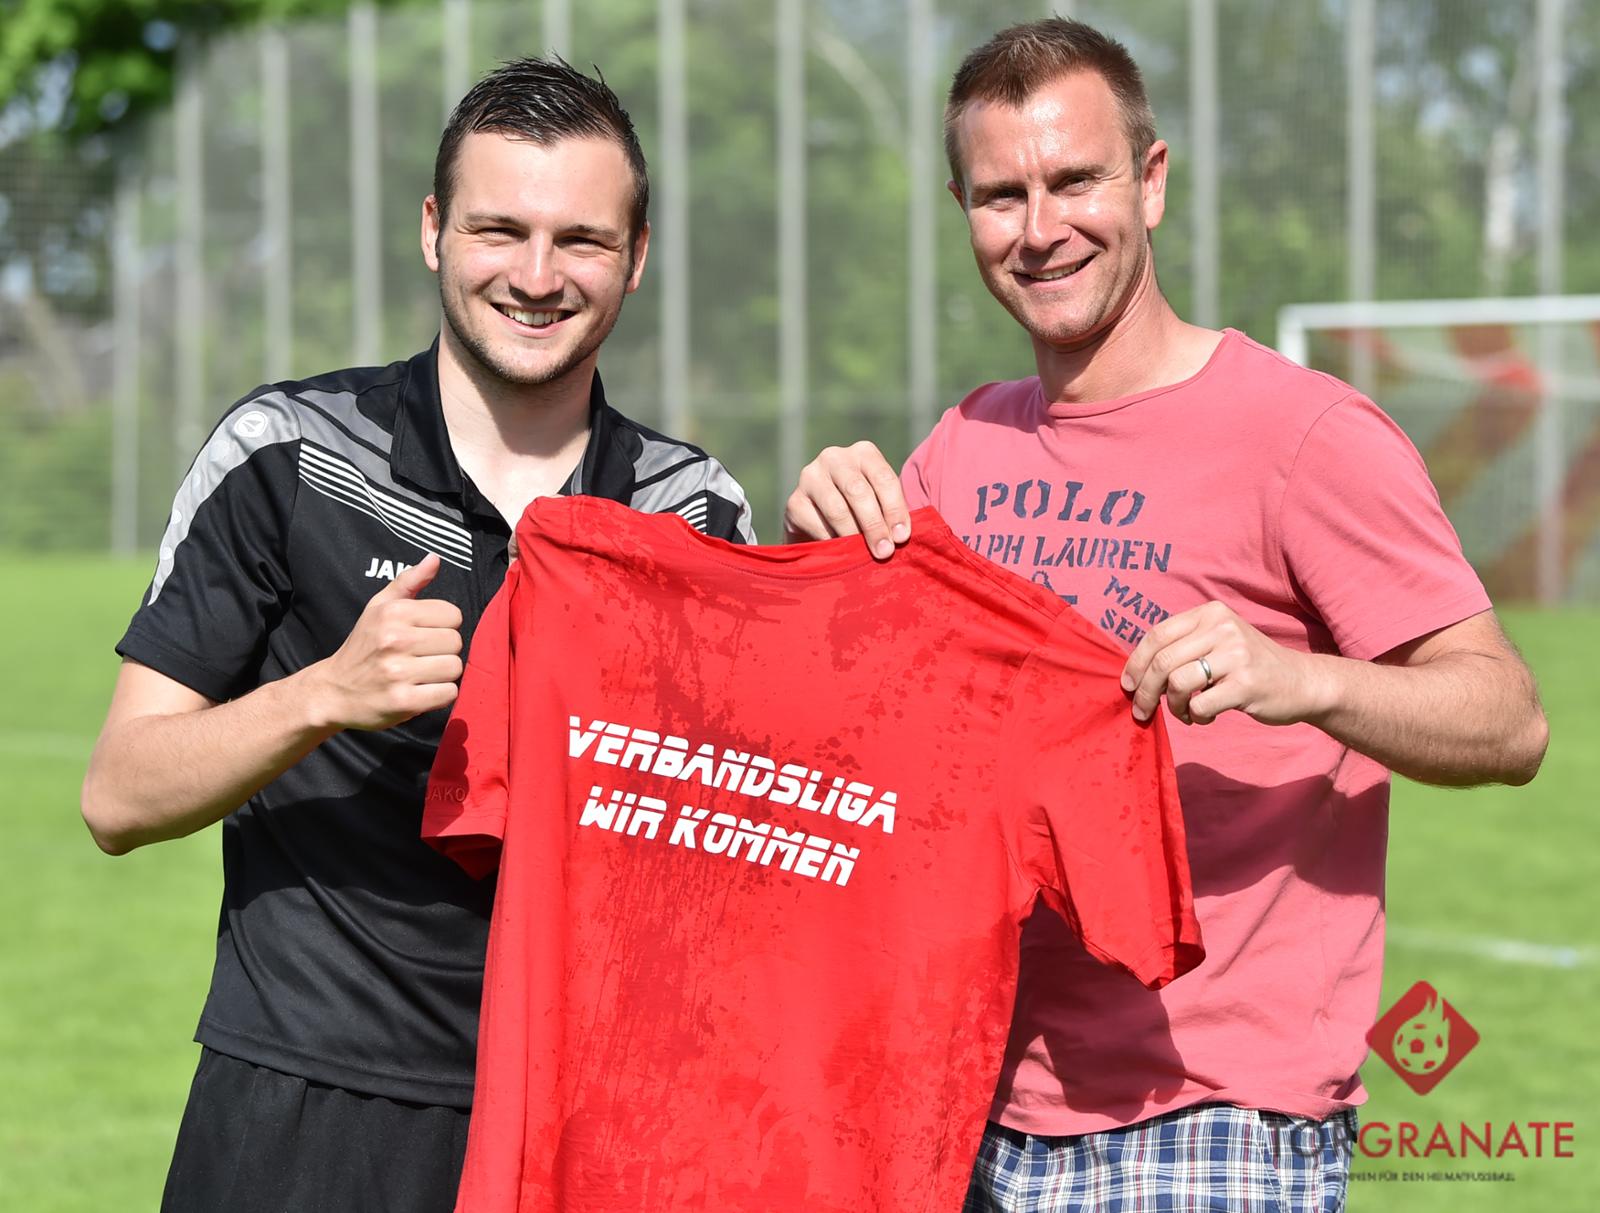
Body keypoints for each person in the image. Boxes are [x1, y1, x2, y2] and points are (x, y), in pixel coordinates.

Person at [784, 18, 1546, 1213]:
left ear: (1149, 182)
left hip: (1208, 1115)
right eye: (1001, 195)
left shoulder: (1302, 434)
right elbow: (863, 746)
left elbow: (1508, 719)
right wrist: (820, 563)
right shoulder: (958, 447)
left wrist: (1303, 680)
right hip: (971, 1095)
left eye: (1074, 180)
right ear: (962, 209)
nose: (1040, 228)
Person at [81, 57, 752, 1213]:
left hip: (580, 1117)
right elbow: (117, 795)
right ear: (434, 230)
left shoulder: (689, 511)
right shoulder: (288, 453)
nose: (536, 276)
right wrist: (321, 695)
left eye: (581, 240)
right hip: (299, 1107)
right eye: (500, 230)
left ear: (636, 256)